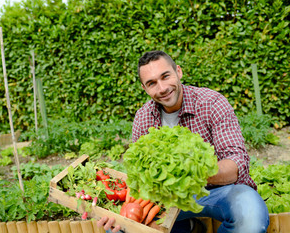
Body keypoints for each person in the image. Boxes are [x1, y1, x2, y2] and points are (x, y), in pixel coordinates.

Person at [97, 50, 269, 233]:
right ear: (144, 88)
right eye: (152, 83)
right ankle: (187, 228)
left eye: (165, 76)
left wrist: (190, 174)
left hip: (215, 192)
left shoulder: (212, 103)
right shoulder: (143, 117)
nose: (162, 88)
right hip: (165, 202)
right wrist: (123, 214)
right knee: (119, 230)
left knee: (250, 217)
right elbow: (139, 178)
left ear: (178, 72)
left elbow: (236, 163)